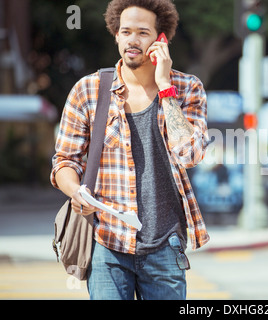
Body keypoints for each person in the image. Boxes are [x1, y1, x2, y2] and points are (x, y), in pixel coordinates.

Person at [50, 0, 209, 300]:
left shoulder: (189, 89)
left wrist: (165, 88)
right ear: (116, 34)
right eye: (125, 32)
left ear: (161, 39)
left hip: (165, 246)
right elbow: (64, 161)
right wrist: (76, 192)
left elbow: (191, 155)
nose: (132, 40)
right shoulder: (88, 90)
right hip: (107, 243)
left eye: (142, 32)